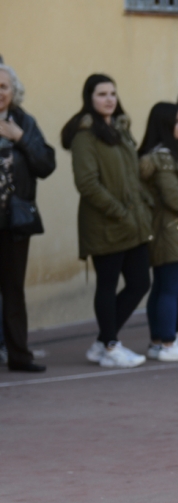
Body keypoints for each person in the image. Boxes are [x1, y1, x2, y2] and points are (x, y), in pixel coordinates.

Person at [61, 73, 152, 369]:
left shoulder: (121, 131)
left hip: (133, 223)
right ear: (89, 99)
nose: (109, 99)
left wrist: (142, 208)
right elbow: (87, 183)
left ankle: (103, 342)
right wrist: (120, 212)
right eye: (102, 94)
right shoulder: (85, 136)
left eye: (113, 93)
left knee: (140, 282)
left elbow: (132, 177)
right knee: (107, 284)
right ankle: (111, 346)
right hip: (105, 224)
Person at [0, 63, 54, 373]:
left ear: (13, 91)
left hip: (14, 221)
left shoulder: (23, 122)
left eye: (3, 87)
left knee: (13, 291)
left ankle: (19, 355)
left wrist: (19, 137)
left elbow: (46, 164)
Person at [138, 103, 178, 362]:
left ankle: (157, 343)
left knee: (161, 287)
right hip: (171, 230)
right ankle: (168, 343)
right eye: (177, 121)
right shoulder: (164, 159)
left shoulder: (155, 156)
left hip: (161, 229)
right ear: (165, 125)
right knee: (170, 289)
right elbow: (173, 197)